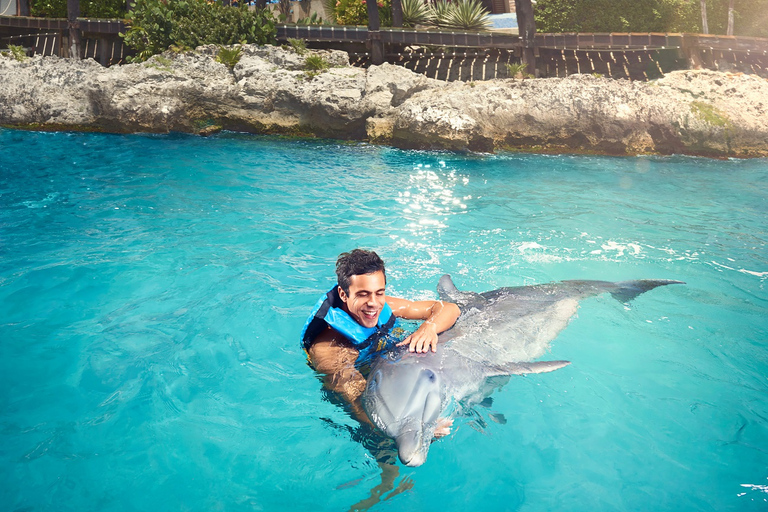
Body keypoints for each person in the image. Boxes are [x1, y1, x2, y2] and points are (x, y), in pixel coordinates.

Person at [301, 249, 461, 431]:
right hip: (363, 378)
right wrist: (419, 430)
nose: (374, 303)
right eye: (363, 294)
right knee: (380, 446)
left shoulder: (384, 305)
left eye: (379, 293)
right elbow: (361, 406)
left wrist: (429, 327)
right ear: (344, 294)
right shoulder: (330, 350)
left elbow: (449, 309)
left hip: (387, 366)